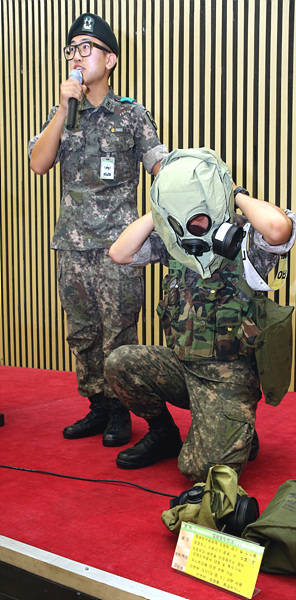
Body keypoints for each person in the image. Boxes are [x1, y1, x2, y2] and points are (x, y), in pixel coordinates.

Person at [105, 148, 296, 481]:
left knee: (198, 471)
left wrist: (234, 194)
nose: (192, 221)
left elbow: (279, 228)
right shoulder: (176, 240)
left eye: (197, 209)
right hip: (183, 365)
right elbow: (119, 253)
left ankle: (236, 426)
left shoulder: (246, 240)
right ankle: (164, 433)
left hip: (230, 374)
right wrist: (161, 209)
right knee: (119, 363)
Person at [28, 13, 168, 447]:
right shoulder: (62, 115)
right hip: (71, 246)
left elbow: (160, 168)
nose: (76, 56)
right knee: (83, 333)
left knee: (118, 334)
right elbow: (38, 164)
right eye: (71, 49)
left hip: (118, 249)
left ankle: (122, 411)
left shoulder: (131, 114)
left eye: (86, 48)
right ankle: (98, 407)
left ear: (110, 60)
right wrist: (62, 109)